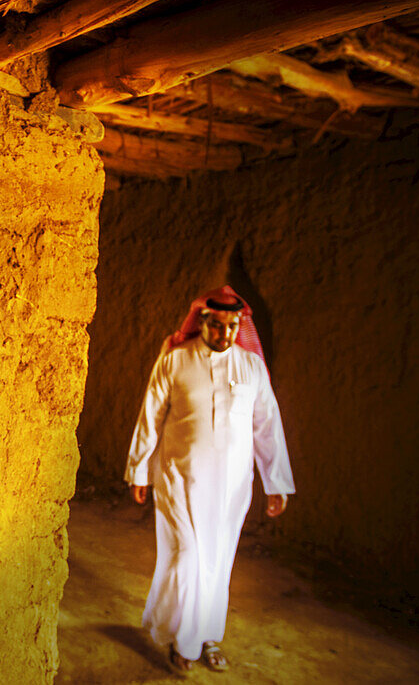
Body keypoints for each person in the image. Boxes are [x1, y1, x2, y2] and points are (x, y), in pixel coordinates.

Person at [125, 286, 294, 674]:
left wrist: (276, 482)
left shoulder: (251, 368)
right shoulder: (175, 360)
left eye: (233, 326)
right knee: (185, 557)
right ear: (202, 322)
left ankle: (207, 637)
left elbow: (268, 426)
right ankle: (184, 641)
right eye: (216, 325)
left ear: (240, 325)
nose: (225, 333)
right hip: (177, 479)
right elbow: (150, 416)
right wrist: (139, 469)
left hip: (231, 488)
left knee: (217, 562)